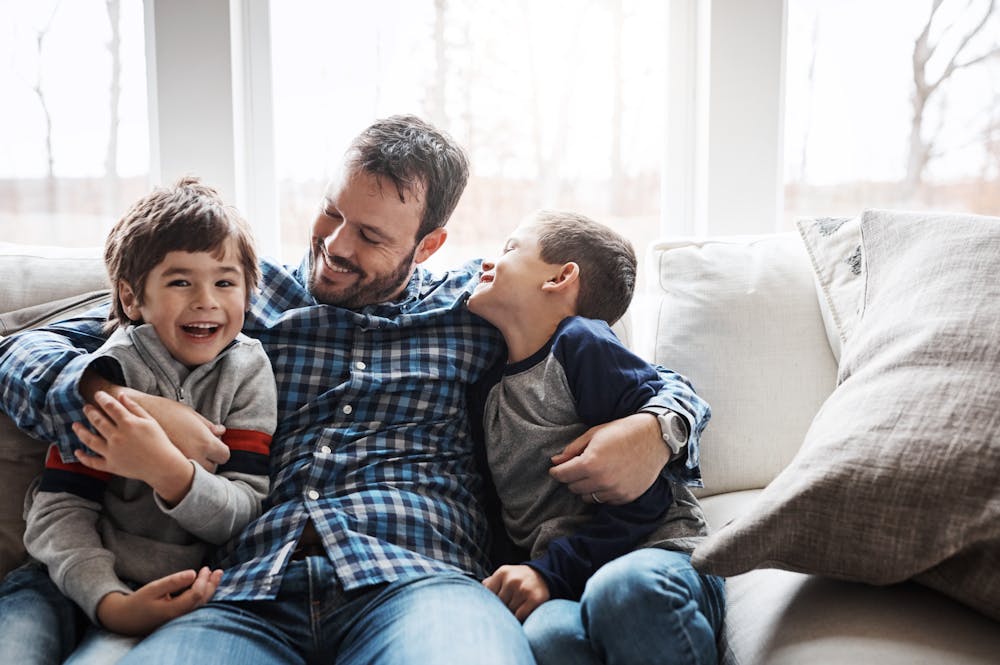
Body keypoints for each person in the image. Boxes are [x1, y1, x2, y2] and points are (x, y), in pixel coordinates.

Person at [0, 115, 709, 665]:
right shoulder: (238, 293)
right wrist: (120, 396)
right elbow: (22, 350)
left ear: (428, 245)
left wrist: (659, 427)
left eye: (370, 235)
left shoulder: (478, 308)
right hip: (249, 587)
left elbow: (636, 369)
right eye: (330, 212)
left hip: (419, 580)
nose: (335, 244)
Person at [0, 177, 276, 664]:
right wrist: (109, 602)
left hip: (175, 591)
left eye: (225, 282)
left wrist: (166, 470)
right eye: (180, 281)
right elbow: (60, 509)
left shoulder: (248, 371)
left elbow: (241, 510)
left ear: (249, 292)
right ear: (131, 299)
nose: (206, 300)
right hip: (61, 576)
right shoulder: (110, 367)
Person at [466, 210, 724, 664]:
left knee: (624, 590)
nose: (486, 264)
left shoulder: (583, 345)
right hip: (566, 579)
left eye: (509, 249)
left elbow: (649, 494)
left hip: (657, 554)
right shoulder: (487, 387)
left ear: (561, 277)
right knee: (548, 637)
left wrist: (549, 571)